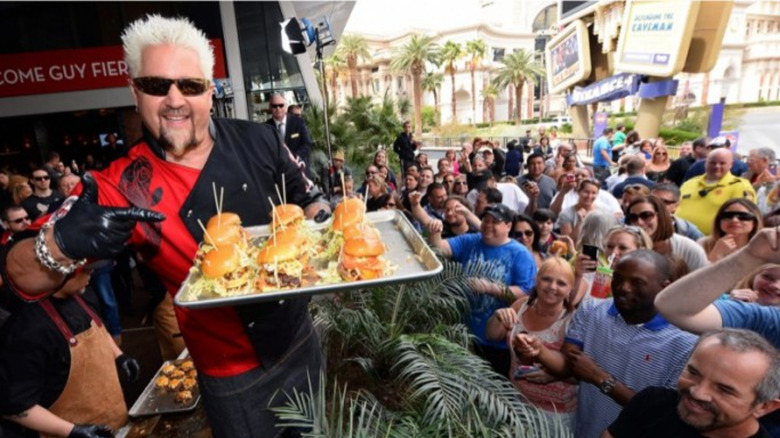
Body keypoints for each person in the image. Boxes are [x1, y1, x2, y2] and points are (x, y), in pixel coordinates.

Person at [0, 15, 330, 438]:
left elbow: (311, 198)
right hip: (229, 372)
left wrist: (318, 228)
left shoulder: (260, 139)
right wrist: (59, 242)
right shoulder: (118, 185)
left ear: (210, 93)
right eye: (157, 85)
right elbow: (18, 273)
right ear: (135, 93)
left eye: (189, 86)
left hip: (300, 341)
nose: (175, 99)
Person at [513, 251, 696, 438]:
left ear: (665, 287)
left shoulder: (685, 344)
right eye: (617, 278)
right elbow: (569, 365)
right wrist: (539, 350)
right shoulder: (591, 310)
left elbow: (662, 418)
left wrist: (598, 376)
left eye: (637, 282)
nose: (623, 288)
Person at [0, 269, 139, 438]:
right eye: (85, 269)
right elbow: (18, 407)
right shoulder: (28, 330)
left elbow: (98, 327)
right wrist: (72, 431)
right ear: (60, 274)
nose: (92, 271)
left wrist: (119, 355)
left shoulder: (82, 294)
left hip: (115, 424)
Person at [604, 328, 780, 438]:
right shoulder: (652, 403)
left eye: (724, 390)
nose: (698, 392)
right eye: (693, 373)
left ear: (764, 407)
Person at [427, 203, 537, 376]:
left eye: (495, 222)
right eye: (486, 220)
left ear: (508, 226)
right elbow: (439, 249)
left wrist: (490, 288)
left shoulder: (520, 254)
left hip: (496, 341)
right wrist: (435, 232)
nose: (488, 225)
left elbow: (527, 293)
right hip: (462, 334)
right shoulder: (470, 240)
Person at [485, 257, 578, 432]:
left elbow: (582, 373)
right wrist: (498, 317)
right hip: (516, 402)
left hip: (554, 414)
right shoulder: (522, 305)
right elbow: (491, 335)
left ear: (570, 290)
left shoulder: (573, 321)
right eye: (546, 279)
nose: (552, 287)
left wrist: (555, 375)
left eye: (561, 283)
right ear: (537, 280)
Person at [677, 148, 756, 236]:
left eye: (722, 163)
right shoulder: (690, 183)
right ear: (705, 163)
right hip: (680, 238)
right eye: (712, 162)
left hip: (714, 241)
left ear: (731, 164)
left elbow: (742, 219)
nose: (717, 166)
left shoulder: (740, 186)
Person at [626, 196, 708, 272]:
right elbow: (612, 271)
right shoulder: (622, 246)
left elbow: (703, 282)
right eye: (633, 217)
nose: (639, 222)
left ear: (660, 216)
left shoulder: (689, 249)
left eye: (646, 215)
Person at [699, 199, 762, 263]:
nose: (734, 220)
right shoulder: (704, 244)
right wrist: (716, 254)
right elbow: (696, 272)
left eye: (743, 216)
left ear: (754, 223)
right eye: (728, 215)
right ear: (719, 221)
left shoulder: (765, 247)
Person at [265, 93, 313, 176]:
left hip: (299, 170)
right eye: (274, 106)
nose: (278, 108)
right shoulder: (266, 127)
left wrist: (295, 156)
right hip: (278, 173)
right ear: (270, 108)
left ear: (286, 107)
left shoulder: (298, 123)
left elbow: (307, 144)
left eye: (281, 105)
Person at [684, 137, 748, 182]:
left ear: (728, 148)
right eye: (712, 148)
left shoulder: (740, 166)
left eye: (720, 147)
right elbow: (687, 181)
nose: (716, 150)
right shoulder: (698, 165)